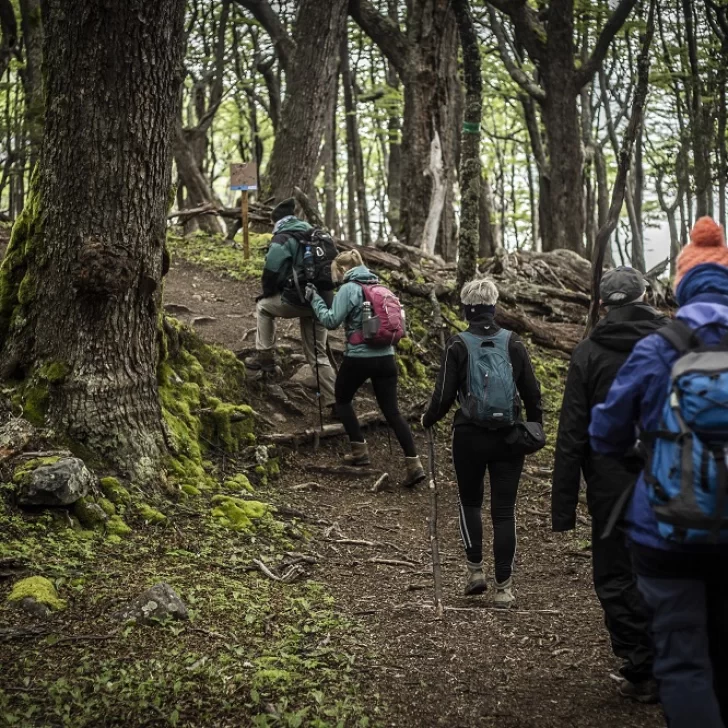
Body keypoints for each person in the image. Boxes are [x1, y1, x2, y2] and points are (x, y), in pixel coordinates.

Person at [590, 217, 728, 727]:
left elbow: (604, 433)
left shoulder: (659, 347)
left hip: (667, 529)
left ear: (682, 286)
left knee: (683, 660)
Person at [552, 267, 666, 702]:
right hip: (675, 475)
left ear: (603, 305)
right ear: (646, 296)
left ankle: (641, 666)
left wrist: (563, 506)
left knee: (617, 574)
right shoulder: (677, 343)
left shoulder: (588, 353)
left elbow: (572, 432)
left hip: (610, 483)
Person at [421, 278, 542, 606]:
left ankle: (475, 572)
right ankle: (504, 588)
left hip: (469, 437)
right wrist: (534, 428)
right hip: (508, 437)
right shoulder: (513, 343)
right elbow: (532, 392)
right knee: (504, 512)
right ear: (493, 307)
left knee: (470, 502)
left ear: (466, 309)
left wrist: (427, 419)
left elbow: (443, 395)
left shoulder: (457, 344)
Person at [305, 249, 426, 488]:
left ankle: (359, 451)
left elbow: (331, 321)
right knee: (392, 412)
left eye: (335, 273)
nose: (335, 277)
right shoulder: (382, 288)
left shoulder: (349, 289)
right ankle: (414, 464)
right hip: (387, 358)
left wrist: (314, 300)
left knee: (342, 400)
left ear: (342, 269)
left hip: (359, 357)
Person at [245, 198, 336, 412]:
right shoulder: (315, 234)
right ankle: (335, 402)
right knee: (318, 354)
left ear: (276, 221)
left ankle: (265, 357)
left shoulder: (283, 236)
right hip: (323, 301)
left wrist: (267, 294)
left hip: (299, 300)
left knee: (264, 307)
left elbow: (271, 269)